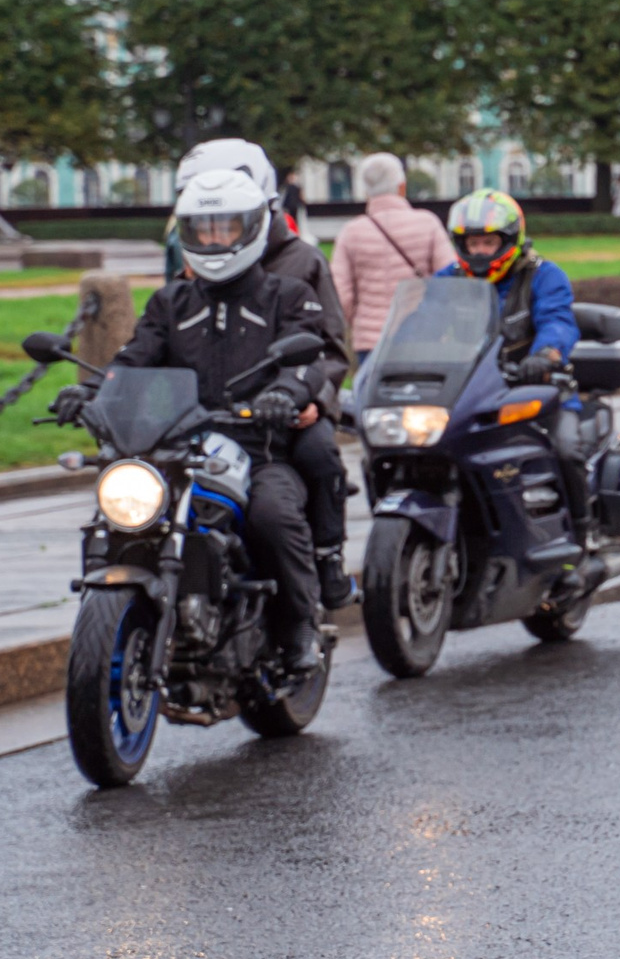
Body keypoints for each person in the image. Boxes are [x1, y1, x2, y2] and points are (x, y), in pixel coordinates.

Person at [58, 169, 330, 673]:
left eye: (224, 228)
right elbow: (134, 357)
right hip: (175, 446)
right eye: (202, 229)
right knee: (119, 511)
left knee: (273, 515)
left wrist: (285, 393)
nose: (212, 240)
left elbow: (305, 361)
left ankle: (299, 625)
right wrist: (90, 389)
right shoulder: (171, 302)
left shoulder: (285, 296)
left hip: (260, 447)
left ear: (251, 229)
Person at [174, 139, 357, 610]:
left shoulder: (302, 262)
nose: (213, 232)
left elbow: (329, 350)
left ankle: (326, 557)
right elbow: (164, 340)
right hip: (212, 421)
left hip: (284, 412)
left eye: (225, 220)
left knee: (318, 453)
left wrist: (311, 398)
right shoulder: (195, 264)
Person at [437, 190, 587, 533]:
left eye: (488, 243)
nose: (479, 252)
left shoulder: (543, 276)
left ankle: (583, 532)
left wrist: (545, 355)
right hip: (469, 395)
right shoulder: (448, 280)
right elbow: (422, 323)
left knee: (566, 451)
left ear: (509, 239)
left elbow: (558, 321)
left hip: (535, 391)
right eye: (472, 243)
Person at [333, 151, 455, 363]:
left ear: (366, 191)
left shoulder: (351, 232)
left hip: (371, 341)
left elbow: (341, 295)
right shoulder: (427, 223)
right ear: (402, 187)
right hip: (422, 335)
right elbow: (451, 279)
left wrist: (357, 323)